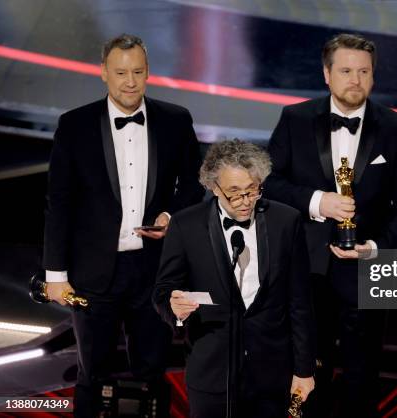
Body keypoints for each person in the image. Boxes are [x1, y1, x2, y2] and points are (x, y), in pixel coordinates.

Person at [42, 34, 205, 417]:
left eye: (137, 72)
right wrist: (55, 274)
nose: (130, 81)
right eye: (120, 72)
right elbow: (59, 203)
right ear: (103, 73)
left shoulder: (175, 120)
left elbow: (196, 183)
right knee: (91, 372)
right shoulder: (75, 125)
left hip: (154, 270)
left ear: (148, 73)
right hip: (92, 272)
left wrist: (169, 217)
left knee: (153, 370)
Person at [264, 33, 397, 417]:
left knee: (362, 375)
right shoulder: (295, 118)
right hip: (306, 269)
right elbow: (267, 181)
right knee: (306, 370)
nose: (355, 79)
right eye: (346, 70)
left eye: (364, 71)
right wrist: (319, 202)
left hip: (367, 274)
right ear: (327, 74)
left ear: (373, 75)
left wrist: (376, 246)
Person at [153, 140, 316, 418]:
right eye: (234, 193)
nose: (244, 202)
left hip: (271, 375)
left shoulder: (286, 221)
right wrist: (174, 308)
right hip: (211, 373)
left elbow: (299, 302)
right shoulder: (186, 224)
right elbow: (163, 290)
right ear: (214, 188)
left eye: (252, 191)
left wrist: (304, 370)